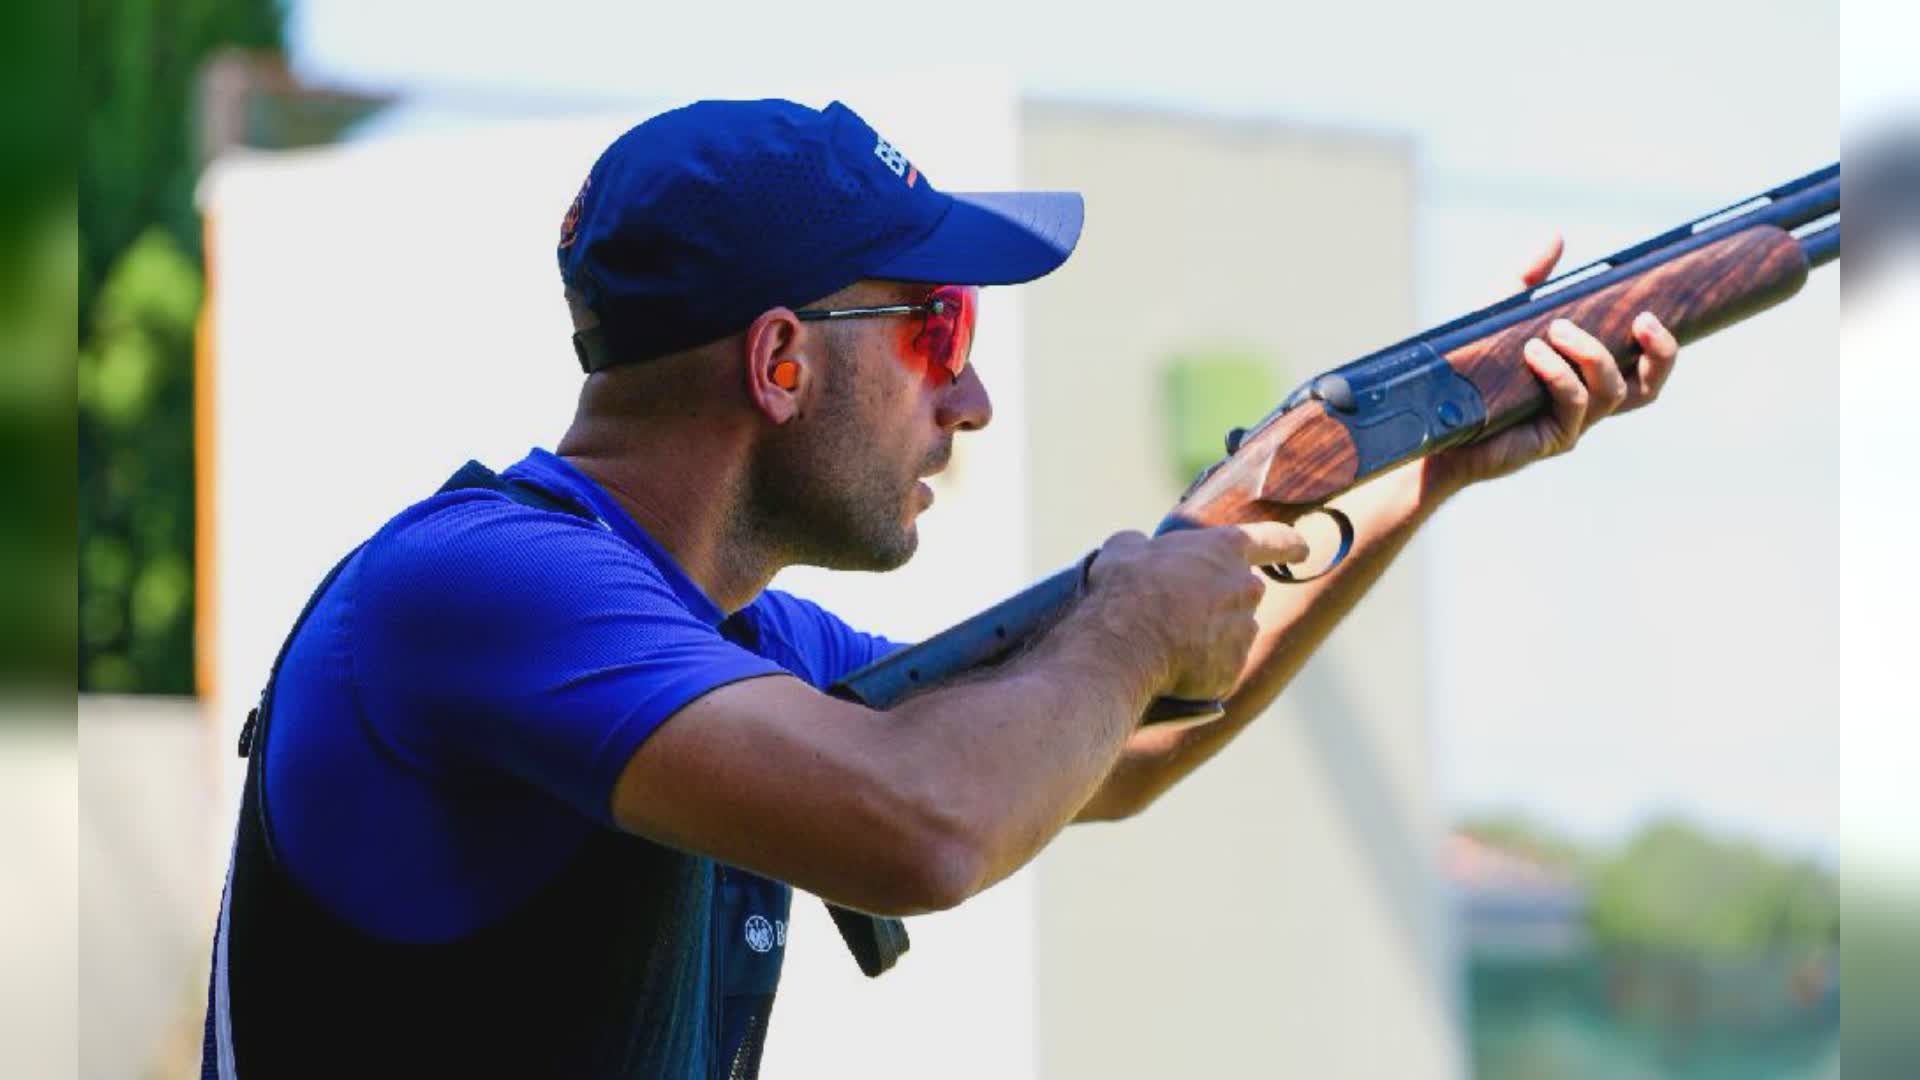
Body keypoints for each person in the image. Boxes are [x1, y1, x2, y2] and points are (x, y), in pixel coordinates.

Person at [199, 99, 1681, 1079]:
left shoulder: (731, 634)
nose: (968, 397)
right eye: (932, 328)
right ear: (780, 362)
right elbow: (930, 820)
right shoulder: (482, 589)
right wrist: (1128, 616)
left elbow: (1118, 749)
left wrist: (1426, 472)